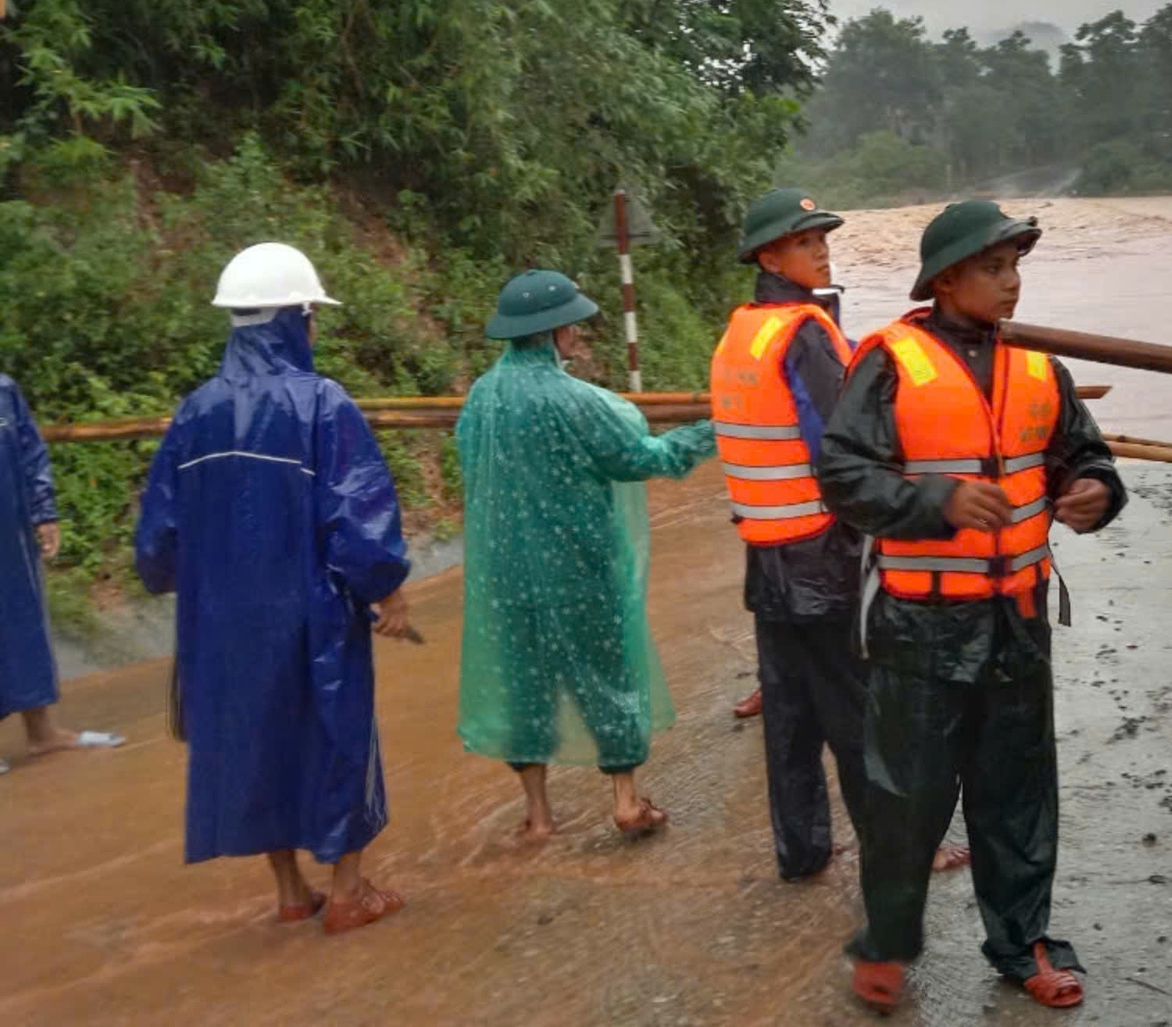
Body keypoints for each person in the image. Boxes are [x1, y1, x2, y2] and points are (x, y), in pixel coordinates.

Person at [819, 200, 1125, 1012]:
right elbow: (843, 476)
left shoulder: (1039, 372)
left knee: (1018, 793)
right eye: (994, 268)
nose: (1012, 283)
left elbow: (1084, 456)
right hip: (919, 625)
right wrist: (939, 501)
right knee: (904, 799)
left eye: (1016, 267)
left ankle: (1022, 940)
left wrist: (1095, 490)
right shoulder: (888, 363)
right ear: (946, 278)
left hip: (1016, 622)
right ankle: (885, 945)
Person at [136, 243, 412, 934]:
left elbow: (159, 540)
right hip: (311, 612)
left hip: (222, 620)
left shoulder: (194, 412)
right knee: (335, 732)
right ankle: (348, 891)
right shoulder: (322, 404)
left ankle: (292, 891)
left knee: (252, 738)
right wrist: (387, 589)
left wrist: (194, 587)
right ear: (296, 319)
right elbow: (358, 515)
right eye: (312, 315)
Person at [711, 189, 972, 884]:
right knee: (860, 715)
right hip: (822, 555)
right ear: (770, 255)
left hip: (766, 553)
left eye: (822, 238)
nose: (821, 249)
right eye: (806, 242)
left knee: (790, 715)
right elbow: (843, 442)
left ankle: (801, 853)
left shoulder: (745, 327)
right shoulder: (801, 331)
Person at [455, 269, 716, 839]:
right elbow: (642, 458)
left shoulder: (481, 398)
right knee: (605, 674)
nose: (577, 335)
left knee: (526, 683)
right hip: (576, 566)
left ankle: (539, 815)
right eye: (572, 326)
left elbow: (469, 466)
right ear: (553, 333)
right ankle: (625, 800)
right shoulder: (575, 401)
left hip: (504, 573)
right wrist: (708, 430)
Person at [1, 374, 124, 769]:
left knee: (23, 618)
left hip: (9, 528)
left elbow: (30, 450)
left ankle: (41, 733)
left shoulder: (3, 390)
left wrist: (44, 512)